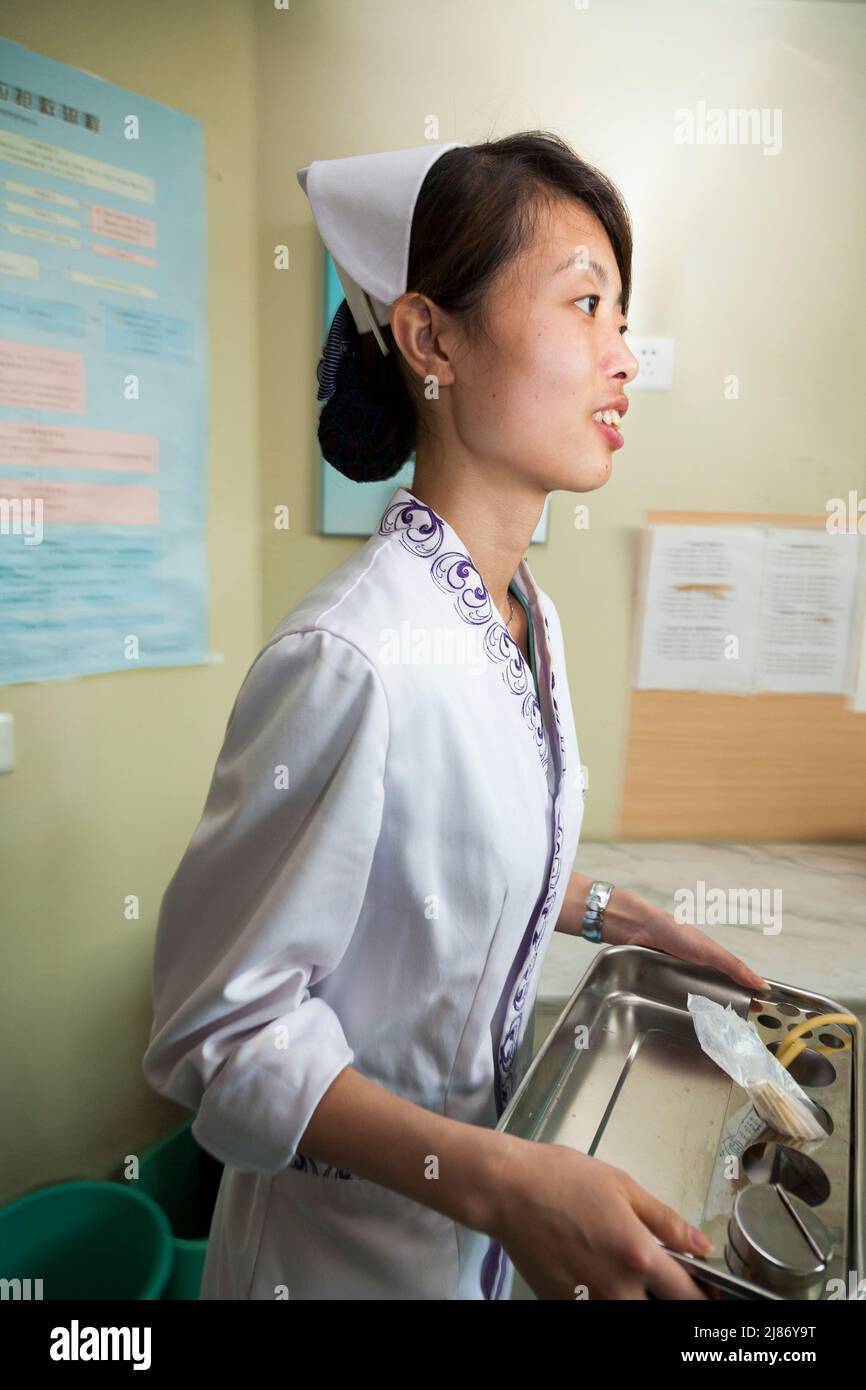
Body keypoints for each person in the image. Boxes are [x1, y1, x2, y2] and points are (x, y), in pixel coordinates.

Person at [142, 131, 768, 1301]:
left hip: (461, 1263)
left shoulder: (524, 618)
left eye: (621, 316)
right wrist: (499, 1183)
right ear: (431, 338)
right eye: (585, 305)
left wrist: (608, 911)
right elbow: (214, 1035)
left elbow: (430, 859)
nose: (623, 356)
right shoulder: (348, 658)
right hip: (334, 1269)